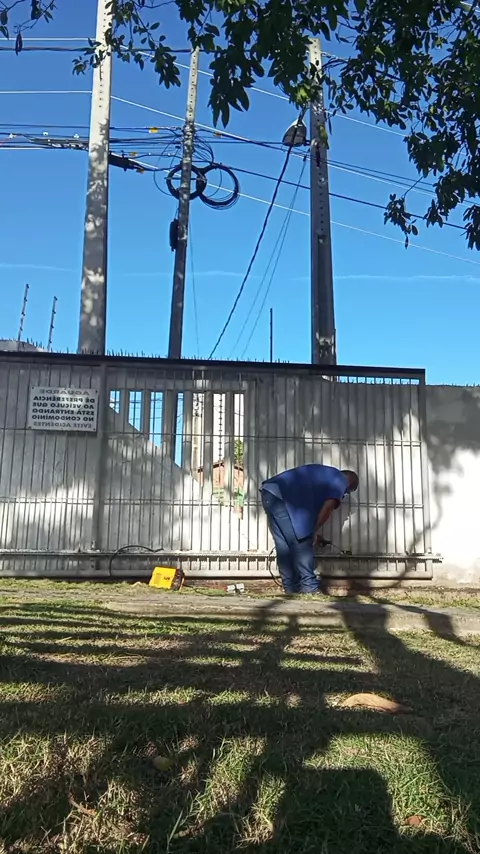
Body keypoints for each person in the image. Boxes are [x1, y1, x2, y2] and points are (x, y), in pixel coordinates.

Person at [261, 464, 359, 594]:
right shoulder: (340, 479)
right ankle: (310, 587)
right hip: (282, 497)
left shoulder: (326, 474)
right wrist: (313, 531)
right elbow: (328, 507)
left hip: (269, 492)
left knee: (283, 545)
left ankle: (291, 588)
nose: (344, 494)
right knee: (301, 541)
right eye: (347, 492)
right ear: (349, 482)